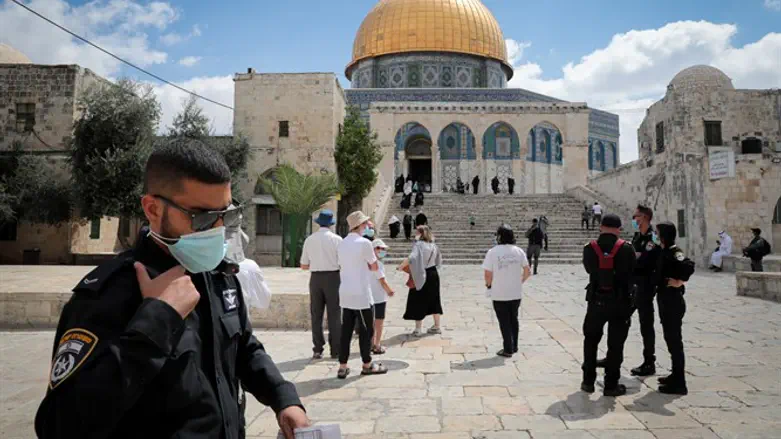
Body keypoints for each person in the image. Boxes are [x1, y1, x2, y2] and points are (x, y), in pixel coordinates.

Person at [35, 138, 309, 439]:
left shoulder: (218, 274)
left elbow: (244, 348)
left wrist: (283, 398)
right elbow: (59, 425)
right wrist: (156, 320)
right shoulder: (110, 294)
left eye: (227, 214)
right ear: (152, 209)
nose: (218, 229)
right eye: (203, 218)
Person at [599, 205, 662, 377]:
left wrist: (637, 258)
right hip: (632, 285)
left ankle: (649, 361)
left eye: (636, 216)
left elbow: (645, 260)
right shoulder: (636, 237)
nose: (634, 219)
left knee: (646, 325)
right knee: (620, 321)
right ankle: (612, 357)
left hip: (646, 286)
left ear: (645, 217)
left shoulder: (653, 238)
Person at [581, 214, 637, 397]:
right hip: (620, 303)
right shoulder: (627, 249)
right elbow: (631, 274)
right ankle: (611, 385)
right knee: (615, 345)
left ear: (601, 226)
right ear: (618, 228)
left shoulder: (589, 249)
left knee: (590, 341)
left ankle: (588, 381)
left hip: (596, 302)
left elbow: (590, 270)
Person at [336, 211, 388, 379]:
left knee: (346, 331)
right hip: (362, 295)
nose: (367, 226)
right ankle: (367, 364)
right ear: (359, 225)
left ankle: (342, 366)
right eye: (365, 223)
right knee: (366, 331)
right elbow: (374, 266)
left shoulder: (342, 243)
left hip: (345, 293)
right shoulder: (364, 243)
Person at [654, 222, 696, 395]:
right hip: (665, 299)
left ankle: (680, 383)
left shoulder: (674, 251)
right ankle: (675, 374)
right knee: (670, 340)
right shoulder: (663, 251)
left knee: (675, 342)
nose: (655, 235)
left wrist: (679, 281)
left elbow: (688, 266)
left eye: (657, 233)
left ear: (663, 235)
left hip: (673, 301)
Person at [483, 224, 531, 357]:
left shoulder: (493, 252)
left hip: (499, 293)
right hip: (515, 292)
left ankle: (508, 348)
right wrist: (519, 281)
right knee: (513, 319)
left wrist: (488, 286)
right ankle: (514, 345)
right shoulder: (519, 251)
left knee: (504, 320)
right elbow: (527, 271)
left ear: (499, 236)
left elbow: (488, 274)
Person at [300, 210, 343, 360]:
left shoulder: (309, 240)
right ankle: (335, 350)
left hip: (316, 278)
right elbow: (342, 263)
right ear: (331, 224)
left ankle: (317, 348)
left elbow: (304, 265)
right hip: (333, 278)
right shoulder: (337, 240)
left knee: (316, 314)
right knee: (335, 315)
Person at [399, 225, 443, 336]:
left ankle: (418, 329)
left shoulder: (418, 245)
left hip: (420, 274)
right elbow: (439, 261)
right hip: (433, 273)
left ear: (420, 233)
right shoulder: (434, 246)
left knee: (418, 299)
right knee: (434, 299)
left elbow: (412, 258)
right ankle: (437, 326)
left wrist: (401, 266)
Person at [370, 239, 395, 355]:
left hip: (368, 297)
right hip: (379, 297)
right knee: (379, 322)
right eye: (379, 248)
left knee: (370, 322)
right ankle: (377, 345)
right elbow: (382, 281)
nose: (382, 251)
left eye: (383, 249)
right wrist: (390, 291)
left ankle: (370, 343)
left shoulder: (365, 263)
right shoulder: (377, 264)